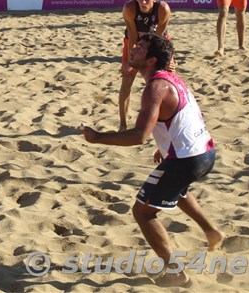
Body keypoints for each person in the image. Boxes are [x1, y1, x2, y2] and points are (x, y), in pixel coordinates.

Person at [80, 34, 222, 287]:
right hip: (205, 152)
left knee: (143, 212)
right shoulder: (169, 78)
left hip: (186, 159)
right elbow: (181, 117)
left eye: (140, 48)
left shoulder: (155, 87)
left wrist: (98, 137)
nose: (133, 49)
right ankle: (211, 230)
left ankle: (176, 272)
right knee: (176, 189)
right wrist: (166, 146)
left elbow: (139, 136)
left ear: (151, 60)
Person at [119, 0, 171, 131]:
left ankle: (168, 123)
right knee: (127, 79)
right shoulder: (129, 8)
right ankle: (123, 125)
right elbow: (133, 37)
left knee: (168, 78)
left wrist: (168, 61)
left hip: (158, 43)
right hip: (135, 42)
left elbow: (158, 42)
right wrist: (131, 62)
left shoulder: (163, 9)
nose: (143, 3)